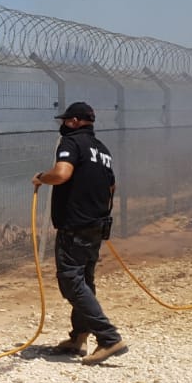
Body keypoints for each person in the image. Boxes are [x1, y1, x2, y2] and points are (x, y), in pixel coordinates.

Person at [32, 101, 129, 365]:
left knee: (71, 281)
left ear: (74, 122)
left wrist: (42, 177)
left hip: (75, 225)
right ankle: (78, 337)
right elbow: (112, 187)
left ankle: (108, 338)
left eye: (65, 121)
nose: (62, 125)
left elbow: (62, 174)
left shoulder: (71, 143)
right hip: (96, 225)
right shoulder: (102, 149)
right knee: (84, 280)